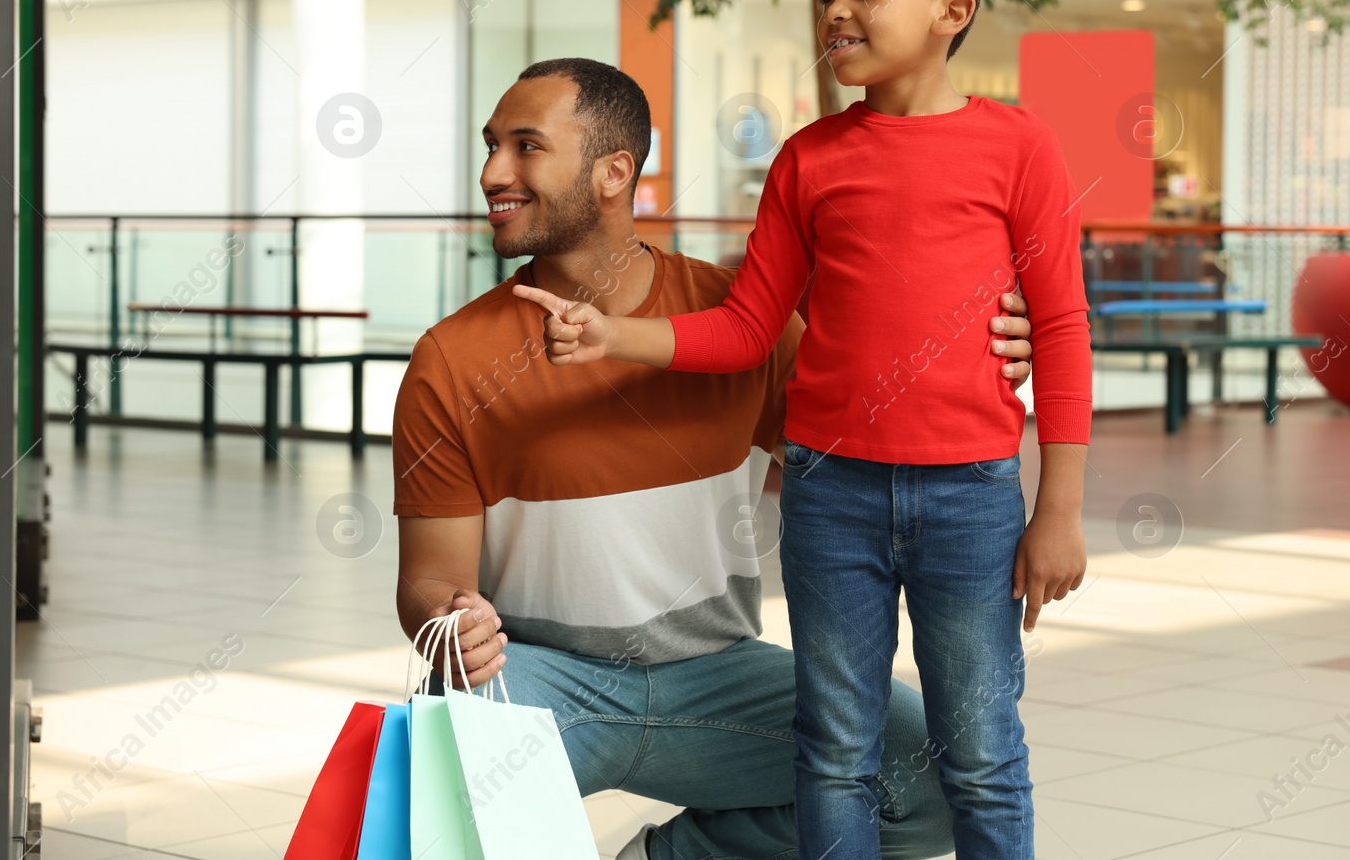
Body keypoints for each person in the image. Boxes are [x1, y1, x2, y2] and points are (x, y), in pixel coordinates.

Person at [516, 0, 1093, 860]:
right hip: (832, 497)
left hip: (972, 498)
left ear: (951, 10)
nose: (835, 8)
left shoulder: (1019, 147)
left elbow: (1064, 324)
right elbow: (746, 326)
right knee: (834, 751)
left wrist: (1060, 510)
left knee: (983, 750)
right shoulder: (807, 159)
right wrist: (617, 334)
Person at [395, 55, 1041, 859]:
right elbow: (426, 580)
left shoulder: (737, 324)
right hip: (545, 684)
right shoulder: (450, 359)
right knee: (442, 761)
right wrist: (450, 624)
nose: (494, 171)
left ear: (613, 171)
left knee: (932, 778)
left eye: (526, 146)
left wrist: (999, 342)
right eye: (491, 146)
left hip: (718, 679)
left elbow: (872, 419)